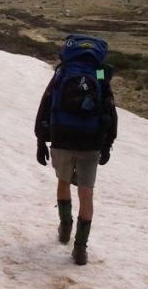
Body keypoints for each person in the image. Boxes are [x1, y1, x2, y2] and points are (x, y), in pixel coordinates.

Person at [34, 35, 117, 266]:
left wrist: (41, 139)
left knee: (63, 181)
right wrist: (108, 143)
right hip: (91, 140)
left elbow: (46, 102)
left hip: (62, 135)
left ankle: (65, 227)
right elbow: (109, 108)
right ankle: (80, 249)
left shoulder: (63, 72)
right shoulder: (99, 73)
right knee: (86, 193)